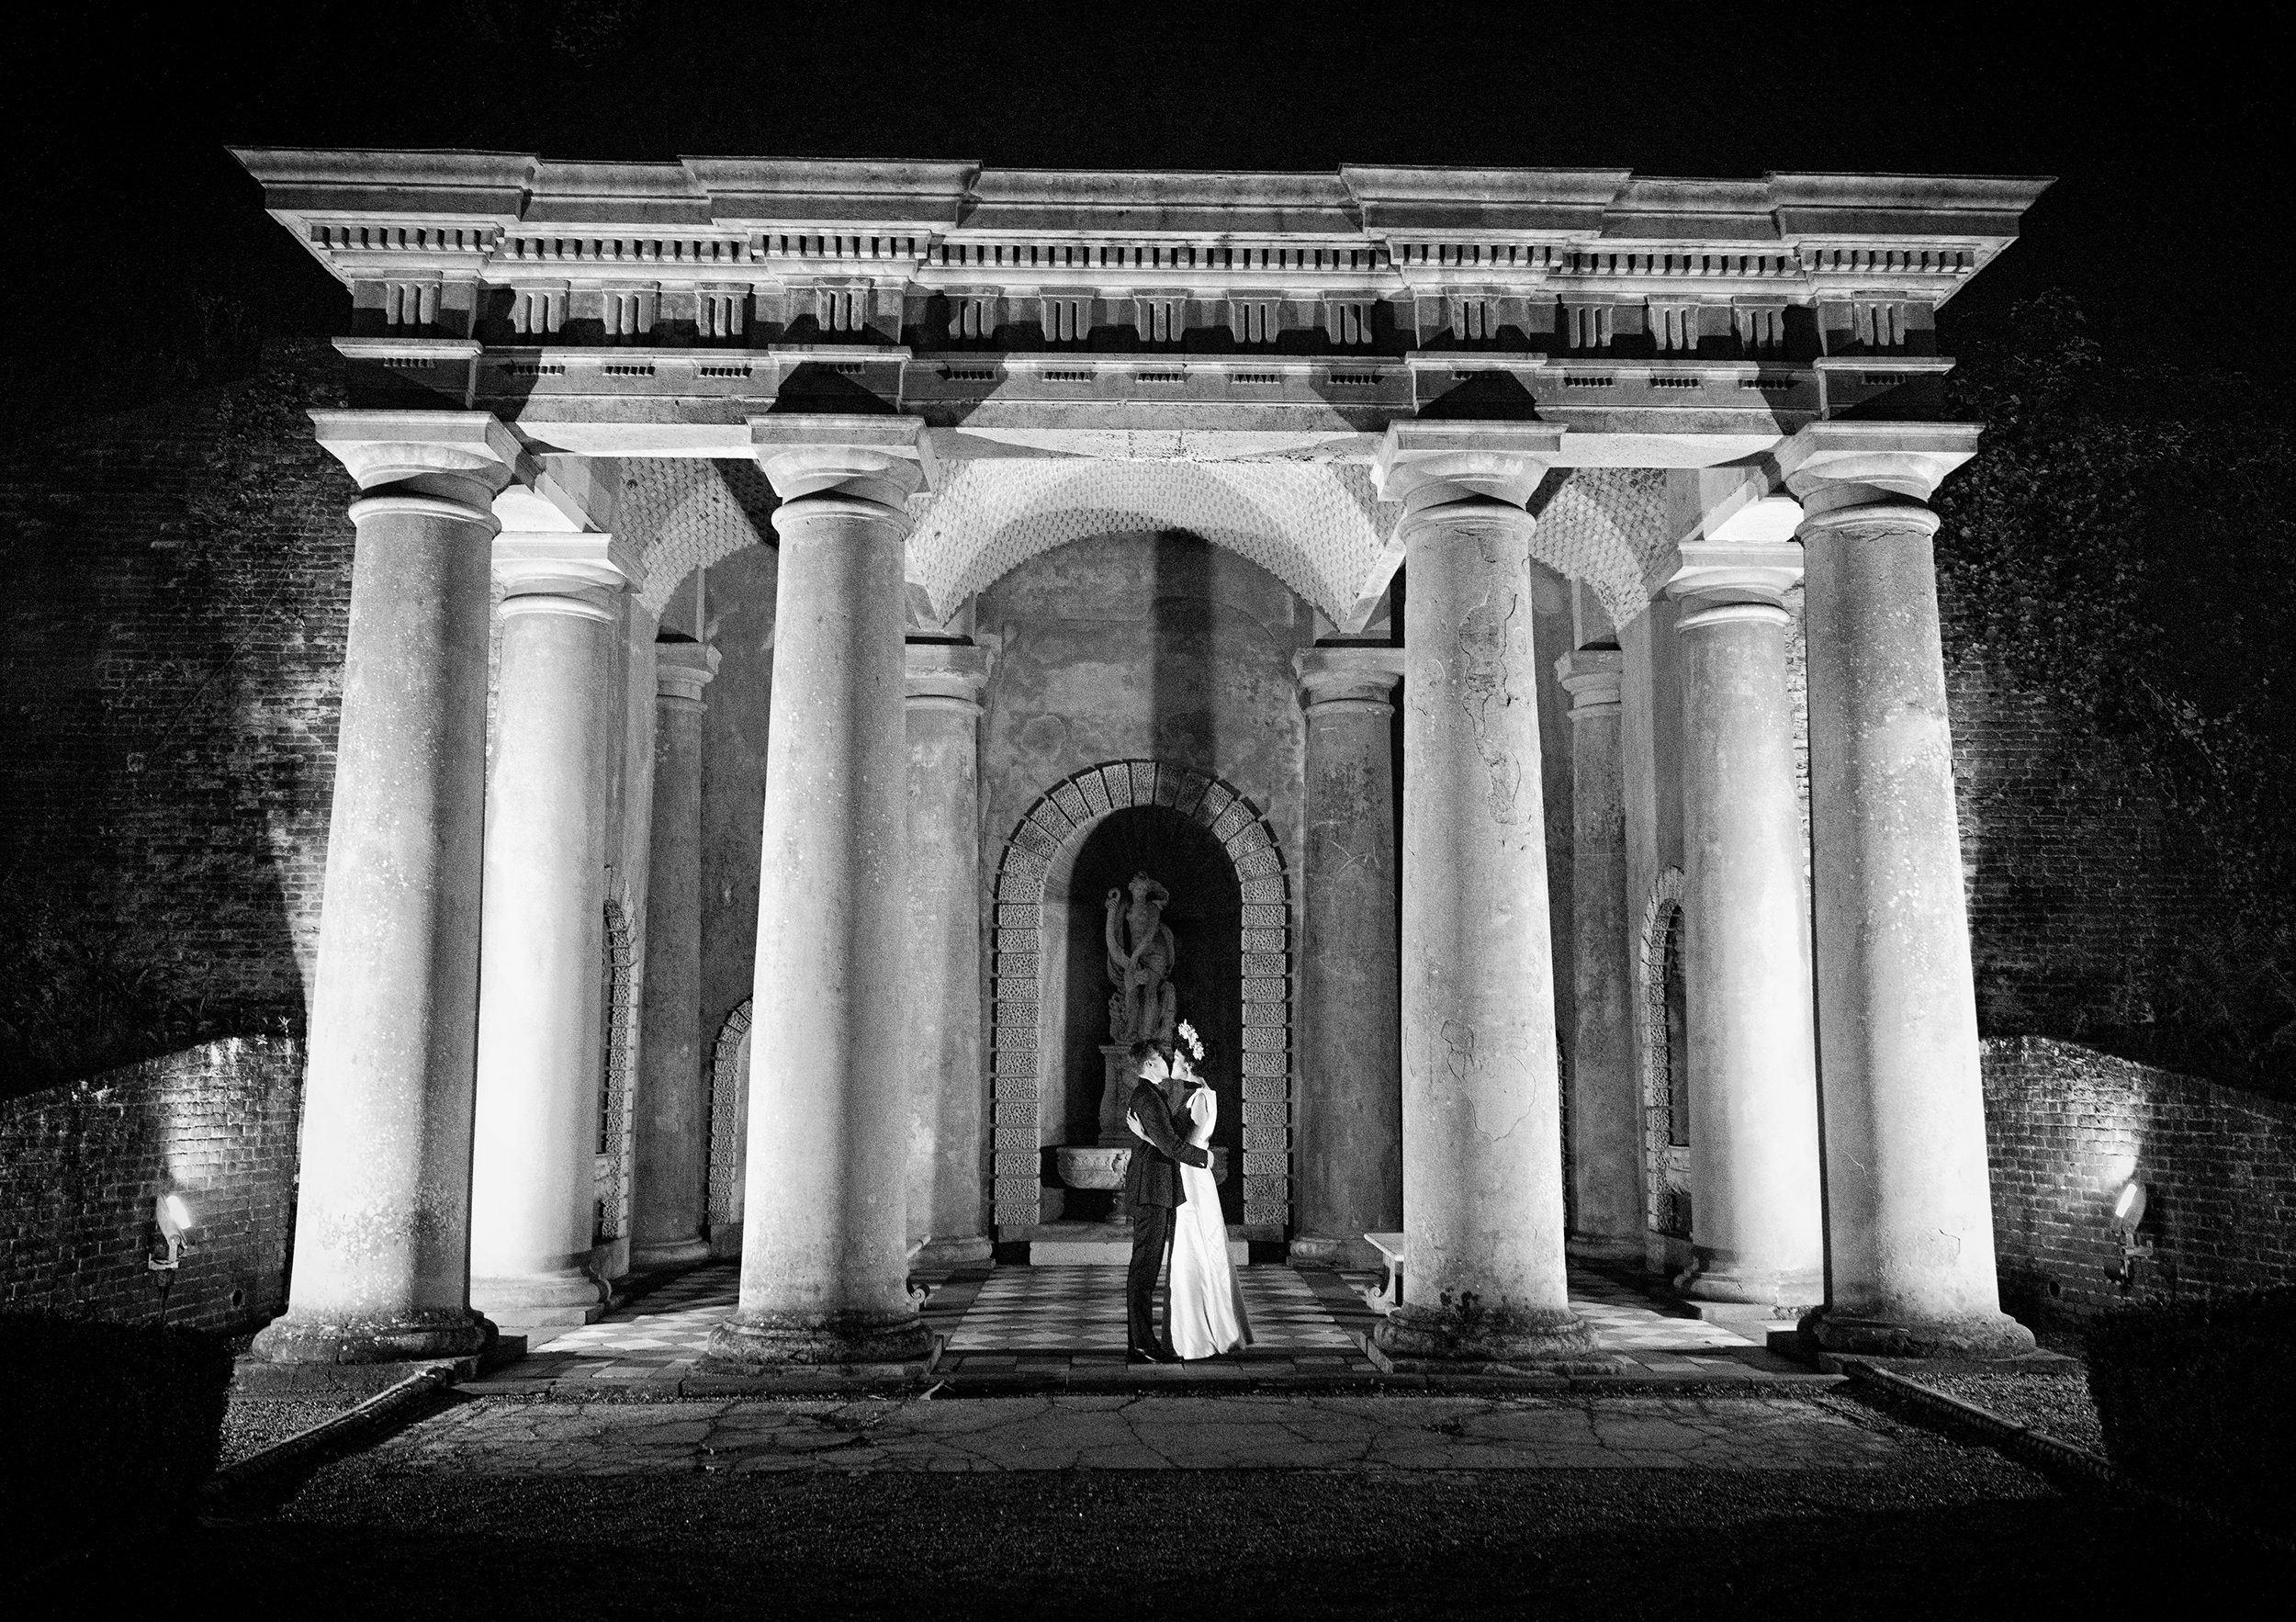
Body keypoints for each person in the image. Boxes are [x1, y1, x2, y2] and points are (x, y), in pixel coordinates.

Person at [1158, 1036, 1253, 1359]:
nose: (1172, 1062)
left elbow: (1183, 1144)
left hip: (1191, 1175)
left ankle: (1197, 1336)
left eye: (1176, 1057)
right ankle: (1200, 1329)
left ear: (1189, 1064)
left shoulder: (1199, 1097)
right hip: (1195, 1174)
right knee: (1196, 1249)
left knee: (1192, 1250)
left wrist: (1149, 1134)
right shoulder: (1203, 1095)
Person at [1120, 1038, 1209, 1365]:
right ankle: (1142, 1345)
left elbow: (1164, 1138)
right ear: (1148, 1065)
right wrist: (1205, 1158)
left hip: (1158, 1187)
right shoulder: (1146, 1096)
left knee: (1147, 1267)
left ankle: (1139, 1343)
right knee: (1144, 1268)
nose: (1165, 1061)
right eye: (1159, 1058)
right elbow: (1170, 1145)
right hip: (1151, 1189)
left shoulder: (1152, 1095)